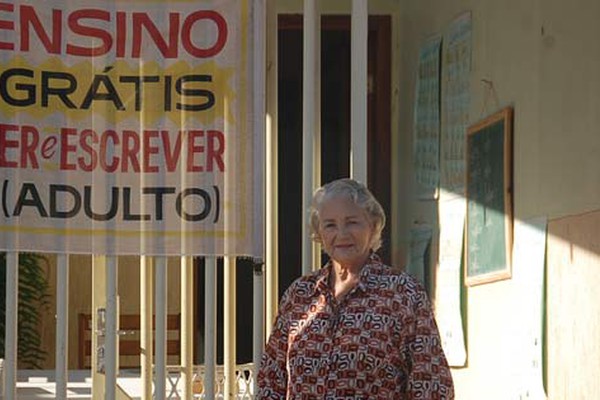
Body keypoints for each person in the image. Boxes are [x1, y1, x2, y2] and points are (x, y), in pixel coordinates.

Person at [257, 178, 454, 399]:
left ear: (373, 225)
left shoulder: (402, 293)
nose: (342, 234)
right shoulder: (300, 295)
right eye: (330, 225)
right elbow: (271, 379)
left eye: (352, 222)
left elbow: (432, 384)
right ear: (319, 232)